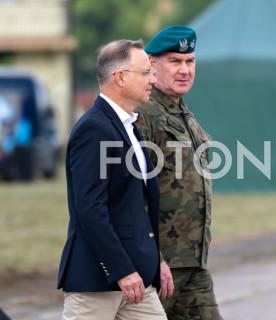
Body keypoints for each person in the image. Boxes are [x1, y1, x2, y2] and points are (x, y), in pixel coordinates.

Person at [57, 39, 168, 319]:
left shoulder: (130, 125)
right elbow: (90, 208)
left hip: (138, 279)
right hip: (98, 281)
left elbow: (136, 204)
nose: (153, 79)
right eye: (146, 73)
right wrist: (121, 270)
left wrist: (157, 261)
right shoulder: (93, 128)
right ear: (120, 77)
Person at [135, 26, 223, 319]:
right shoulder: (143, 114)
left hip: (193, 263)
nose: (185, 70)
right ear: (151, 64)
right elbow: (131, 192)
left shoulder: (182, 112)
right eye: (175, 61)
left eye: (190, 61)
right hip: (158, 265)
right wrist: (151, 256)